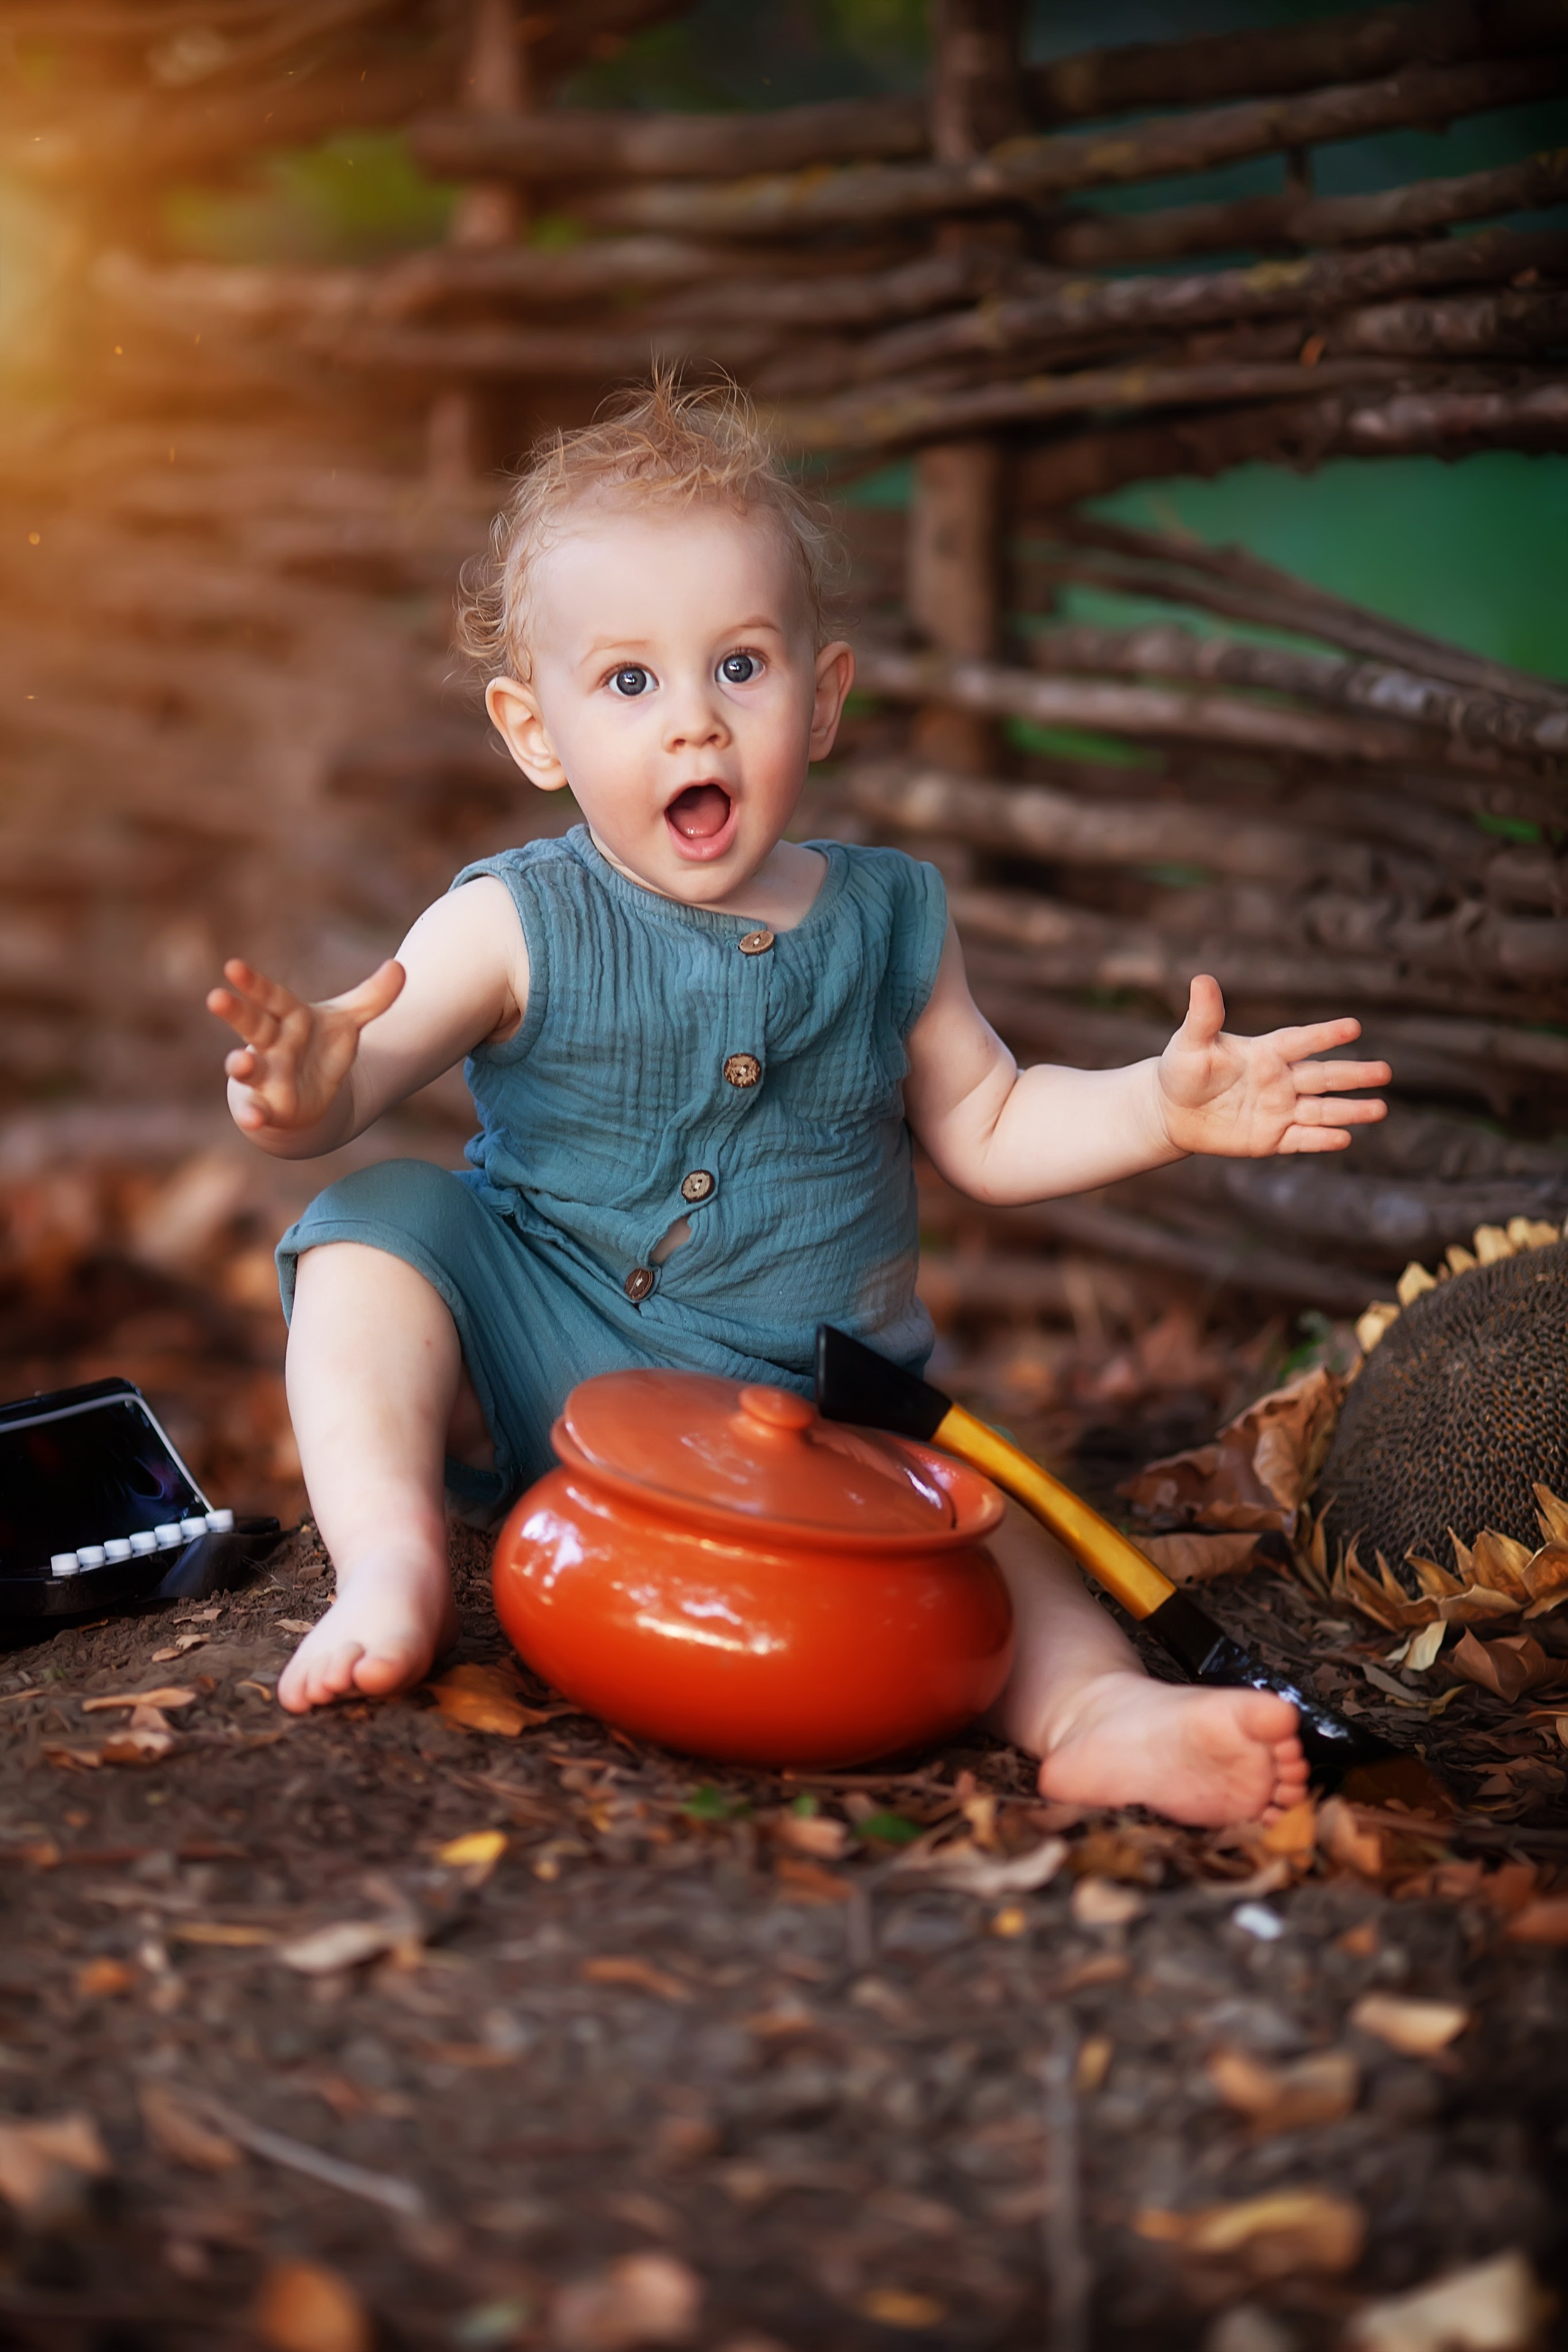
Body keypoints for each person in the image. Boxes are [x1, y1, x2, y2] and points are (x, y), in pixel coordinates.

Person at [209, 377, 1389, 1824]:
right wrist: (317, 1082)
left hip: (821, 1404)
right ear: (536, 732)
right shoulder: (514, 922)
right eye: (629, 683)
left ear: (821, 697)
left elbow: (994, 1126)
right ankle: (388, 1559)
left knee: (993, 1530)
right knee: (373, 1225)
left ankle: (1098, 1709)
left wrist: (1159, 1103)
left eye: (740, 668)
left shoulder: (890, 920)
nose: (693, 726)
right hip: (549, 1340)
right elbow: (369, 1065)